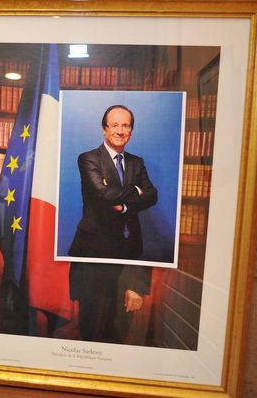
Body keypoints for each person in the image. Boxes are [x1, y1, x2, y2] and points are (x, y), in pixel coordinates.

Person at [68, 104, 158, 344]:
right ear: (104, 129)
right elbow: (101, 195)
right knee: (90, 333)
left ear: (131, 130)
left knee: (118, 334)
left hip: (127, 261)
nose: (121, 130)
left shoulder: (137, 163)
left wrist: (125, 203)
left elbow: (152, 196)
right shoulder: (88, 159)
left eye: (126, 125)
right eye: (115, 125)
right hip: (92, 259)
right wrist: (135, 191)